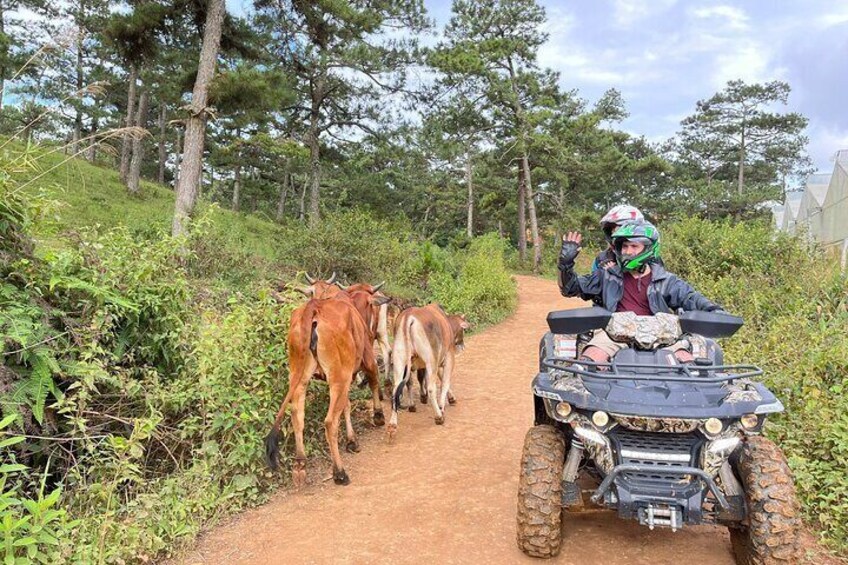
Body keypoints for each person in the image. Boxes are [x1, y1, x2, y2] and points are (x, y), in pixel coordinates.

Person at [558, 221, 722, 365]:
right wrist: (566, 264)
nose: (628, 251)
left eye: (634, 246)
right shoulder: (606, 276)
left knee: (689, 366)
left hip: (661, 337)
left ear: (649, 249)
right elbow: (571, 288)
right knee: (589, 363)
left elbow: (691, 298)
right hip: (614, 335)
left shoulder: (666, 280)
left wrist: (714, 311)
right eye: (625, 246)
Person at [592, 205, 644, 272]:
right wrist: (605, 276)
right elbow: (593, 280)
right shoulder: (602, 259)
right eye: (612, 230)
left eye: (618, 229)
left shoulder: (648, 256)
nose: (614, 233)